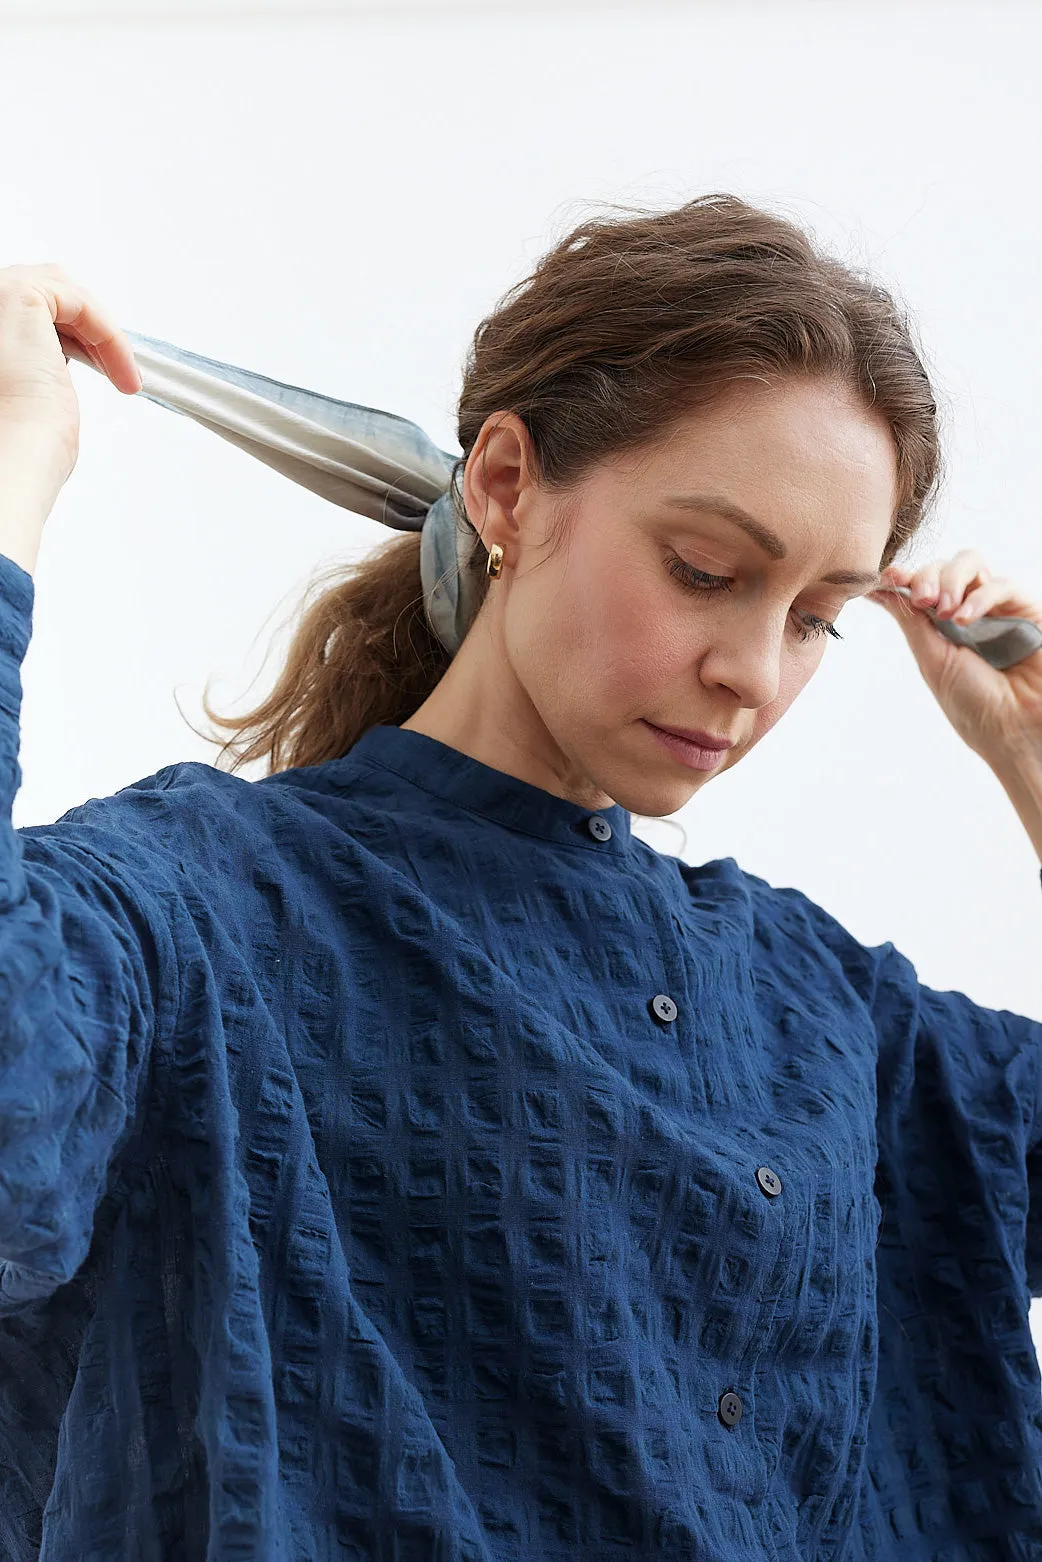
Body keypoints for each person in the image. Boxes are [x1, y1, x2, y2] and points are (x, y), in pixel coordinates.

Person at [0, 194, 1041, 1562]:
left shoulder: (816, 1013)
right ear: (503, 484)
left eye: (813, 618)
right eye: (703, 569)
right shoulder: (208, 908)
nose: (753, 669)